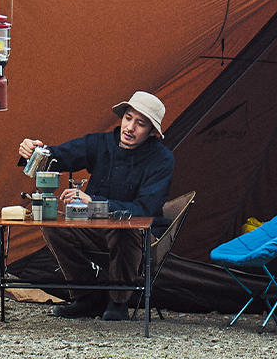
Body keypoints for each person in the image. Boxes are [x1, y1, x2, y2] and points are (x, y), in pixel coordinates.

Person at [18, 91, 174, 321]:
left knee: (125, 230)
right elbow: (58, 156)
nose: (129, 127)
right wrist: (33, 151)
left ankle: (118, 300)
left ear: (152, 132)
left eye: (140, 124)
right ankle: (87, 295)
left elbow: (145, 210)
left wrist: (97, 202)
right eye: (128, 118)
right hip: (94, 227)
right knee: (53, 226)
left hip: (137, 233)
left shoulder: (162, 159)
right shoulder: (100, 143)